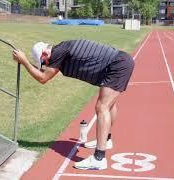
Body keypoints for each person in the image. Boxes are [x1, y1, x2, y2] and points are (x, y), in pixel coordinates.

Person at [12, 39, 134, 170]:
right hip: (119, 62)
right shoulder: (61, 49)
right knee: (109, 104)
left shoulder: (57, 52)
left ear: (45, 54)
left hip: (117, 65)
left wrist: (24, 61)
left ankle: (99, 158)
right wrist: (27, 62)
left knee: (102, 107)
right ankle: (107, 140)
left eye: (43, 62)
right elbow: (44, 73)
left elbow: (43, 78)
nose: (45, 65)